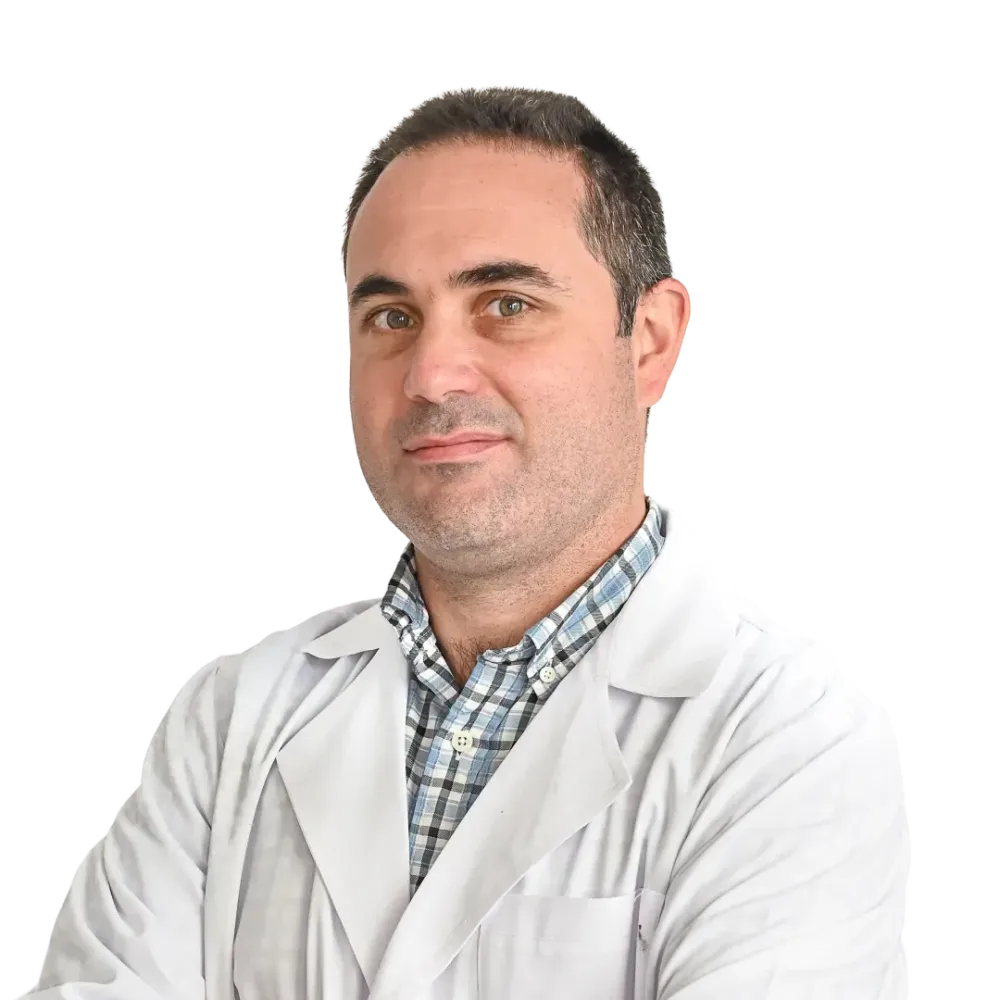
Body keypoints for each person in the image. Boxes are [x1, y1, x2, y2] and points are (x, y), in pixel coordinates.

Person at [31, 84, 908, 999]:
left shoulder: (793, 745)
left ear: (651, 342)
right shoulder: (228, 721)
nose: (431, 375)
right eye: (391, 317)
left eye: (507, 304)